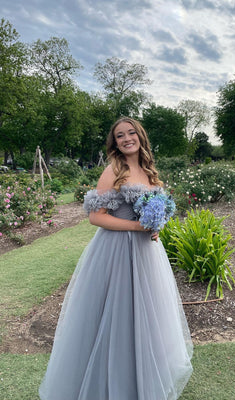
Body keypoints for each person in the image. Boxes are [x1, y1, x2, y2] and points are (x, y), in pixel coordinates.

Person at [39, 117, 193, 400]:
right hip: (115, 253)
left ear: (140, 136)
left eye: (131, 133)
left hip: (147, 254)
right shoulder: (113, 170)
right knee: (115, 316)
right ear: (115, 143)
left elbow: (154, 210)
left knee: (148, 318)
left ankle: (140, 382)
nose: (126, 138)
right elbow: (95, 217)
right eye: (120, 136)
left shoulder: (149, 172)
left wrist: (156, 227)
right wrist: (138, 226)